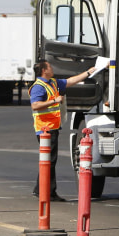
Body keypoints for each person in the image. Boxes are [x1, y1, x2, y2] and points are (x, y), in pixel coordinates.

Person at [30, 60, 95, 201]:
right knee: (49, 161)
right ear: (43, 70)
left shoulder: (52, 83)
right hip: (44, 130)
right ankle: (48, 192)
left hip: (52, 128)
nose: (52, 68)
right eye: (49, 66)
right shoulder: (38, 87)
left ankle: (41, 190)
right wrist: (54, 101)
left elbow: (70, 81)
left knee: (48, 161)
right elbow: (35, 105)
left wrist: (88, 73)